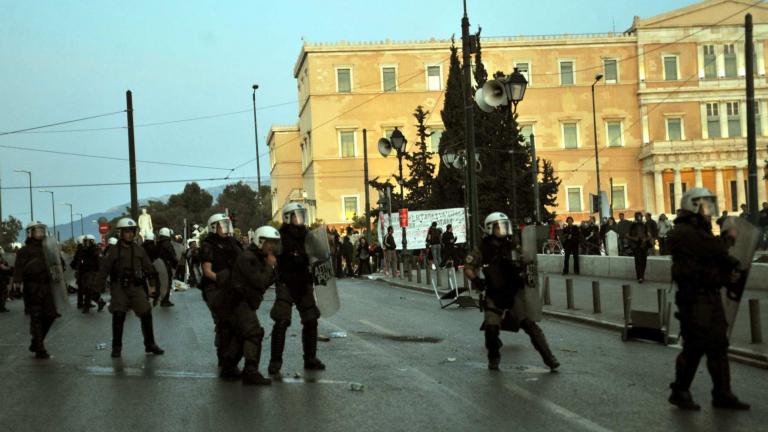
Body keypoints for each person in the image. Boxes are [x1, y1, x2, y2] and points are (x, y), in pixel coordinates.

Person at [667, 188, 750, 411]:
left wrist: (730, 267)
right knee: (695, 345)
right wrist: (729, 238)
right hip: (693, 298)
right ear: (693, 206)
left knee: (718, 344)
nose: (709, 211)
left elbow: (715, 258)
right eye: (705, 206)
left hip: (710, 295)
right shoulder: (684, 232)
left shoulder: (700, 231)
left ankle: (722, 393)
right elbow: (712, 249)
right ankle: (680, 391)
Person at [464, 212, 559, 371]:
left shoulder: (513, 245)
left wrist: (524, 267)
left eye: (504, 226)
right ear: (490, 228)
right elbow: (468, 267)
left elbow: (528, 260)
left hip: (514, 292)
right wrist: (476, 280)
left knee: (529, 325)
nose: (503, 230)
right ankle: (494, 358)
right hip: (494, 293)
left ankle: (549, 358)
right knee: (491, 330)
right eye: (499, 227)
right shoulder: (481, 249)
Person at [268, 203, 326, 376]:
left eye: (301, 215)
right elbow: (270, 255)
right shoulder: (280, 236)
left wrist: (322, 252)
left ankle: (310, 358)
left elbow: (321, 253)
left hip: (303, 281)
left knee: (311, 319)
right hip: (286, 282)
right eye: (296, 215)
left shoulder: (308, 235)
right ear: (287, 217)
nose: (300, 219)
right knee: (281, 321)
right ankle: (275, 362)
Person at [219, 226, 281, 386]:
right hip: (238, 301)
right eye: (270, 243)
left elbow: (265, 283)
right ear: (260, 241)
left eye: (275, 243)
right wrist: (270, 266)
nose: (273, 247)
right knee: (254, 333)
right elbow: (260, 281)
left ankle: (228, 367)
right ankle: (250, 372)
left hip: (243, 302)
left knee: (242, 335)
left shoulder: (258, 257)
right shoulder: (248, 258)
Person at [97, 218, 164, 358]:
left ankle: (150, 344)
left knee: (146, 313)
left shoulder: (140, 250)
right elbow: (104, 269)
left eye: (132, 231)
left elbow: (149, 268)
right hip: (119, 287)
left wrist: (153, 286)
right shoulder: (113, 251)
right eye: (126, 231)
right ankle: (116, 347)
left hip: (136, 287)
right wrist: (98, 287)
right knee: (118, 315)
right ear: (120, 233)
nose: (130, 234)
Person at [199, 213, 243, 373]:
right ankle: (224, 359)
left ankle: (229, 359)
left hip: (233, 287)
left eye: (226, 225)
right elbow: (207, 271)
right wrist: (221, 279)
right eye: (221, 226)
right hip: (215, 288)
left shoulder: (233, 243)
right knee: (224, 322)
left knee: (235, 323)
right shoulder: (208, 245)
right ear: (213, 227)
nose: (225, 229)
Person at [13, 221, 59, 359]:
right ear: (30, 233)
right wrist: (17, 283)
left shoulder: (48, 249)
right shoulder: (24, 251)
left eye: (42, 230)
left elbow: (58, 264)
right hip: (32, 287)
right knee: (36, 317)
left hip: (47, 286)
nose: (41, 233)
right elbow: (18, 268)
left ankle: (36, 342)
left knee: (51, 314)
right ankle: (39, 348)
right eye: (37, 231)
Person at [77, 235, 106, 313]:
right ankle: (100, 302)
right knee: (87, 290)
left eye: (87, 241)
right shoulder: (85, 250)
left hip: (93, 273)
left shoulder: (96, 250)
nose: (85, 243)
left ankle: (87, 307)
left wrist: (99, 273)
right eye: (85, 241)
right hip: (85, 273)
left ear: (92, 241)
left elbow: (101, 262)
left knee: (89, 289)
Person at [157, 227, 179, 307]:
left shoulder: (158, 243)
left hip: (160, 265)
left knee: (162, 283)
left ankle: (163, 299)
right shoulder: (167, 243)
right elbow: (172, 255)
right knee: (167, 283)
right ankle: (165, 300)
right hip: (166, 265)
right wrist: (175, 263)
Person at [626, 212, 650, 283]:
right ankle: (640, 277)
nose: (639, 218)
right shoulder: (632, 226)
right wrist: (634, 238)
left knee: (644, 261)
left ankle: (642, 275)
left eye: (640, 217)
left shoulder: (644, 225)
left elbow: (649, 235)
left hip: (644, 245)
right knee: (638, 261)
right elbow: (626, 235)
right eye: (638, 217)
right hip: (636, 246)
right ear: (636, 217)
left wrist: (645, 239)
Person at [0, 247, 11, 312]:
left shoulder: (2, 259)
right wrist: (9, 268)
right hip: (1, 278)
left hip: (2, 277)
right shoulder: (1, 259)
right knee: (3, 293)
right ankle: (2, 307)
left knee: (3, 292)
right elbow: (2, 267)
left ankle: (2, 307)